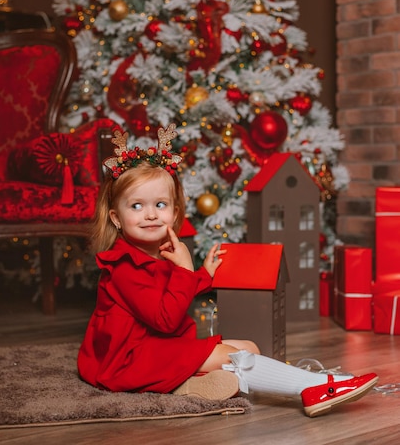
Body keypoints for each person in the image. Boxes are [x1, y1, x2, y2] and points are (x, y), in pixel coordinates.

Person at [78, 124, 378, 417]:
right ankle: (314, 386)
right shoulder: (123, 266)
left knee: (249, 347)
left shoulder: (154, 253)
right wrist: (184, 268)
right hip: (126, 360)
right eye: (137, 206)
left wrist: (202, 277)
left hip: (150, 346)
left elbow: (164, 296)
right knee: (230, 356)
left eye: (160, 204)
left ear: (175, 211)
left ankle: (185, 384)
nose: (151, 214)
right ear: (116, 218)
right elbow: (165, 319)